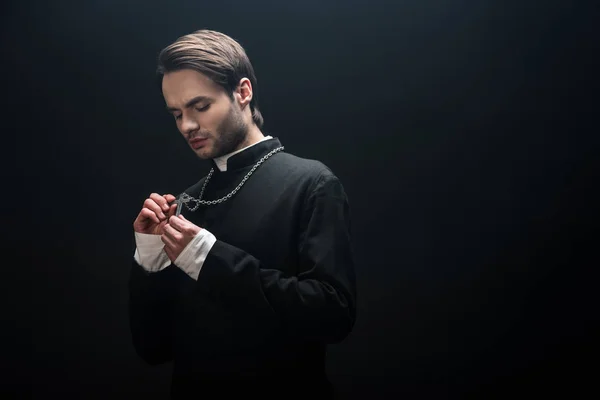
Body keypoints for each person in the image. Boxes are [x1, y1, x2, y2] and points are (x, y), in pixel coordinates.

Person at [129, 29, 357, 399]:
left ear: (243, 92)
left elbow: (334, 316)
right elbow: (153, 349)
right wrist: (149, 259)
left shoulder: (312, 182)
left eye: (200, 106)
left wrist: (209, 258)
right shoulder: (185, 204)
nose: (187, 126)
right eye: (176, 114)